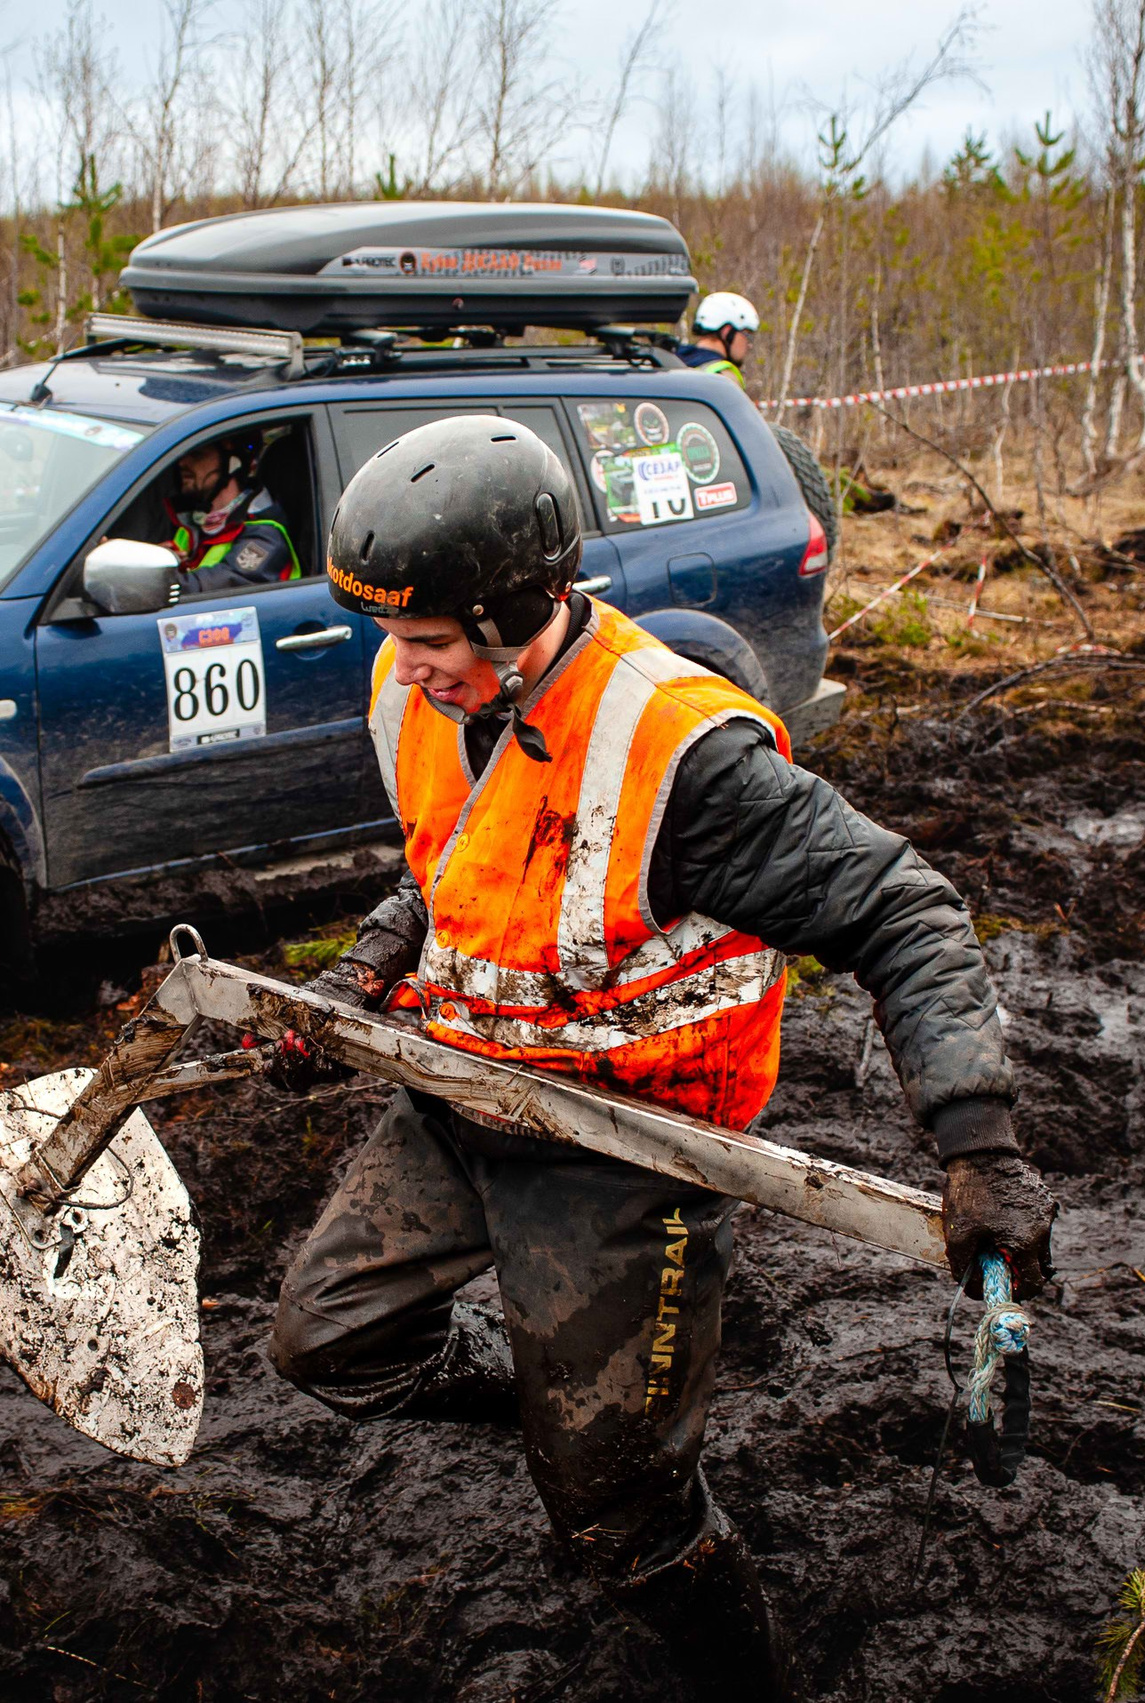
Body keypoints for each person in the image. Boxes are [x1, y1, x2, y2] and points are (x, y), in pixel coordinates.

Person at [262, 416, 1056, 1700]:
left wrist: (979, 1145)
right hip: (470, 1089)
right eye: (391, 640)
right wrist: (364, 968)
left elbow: (906, 910)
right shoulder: (417, 690)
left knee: (614, 1523)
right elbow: (453, 863)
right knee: (325, 1340)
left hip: (628, 1144)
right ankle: (562, 1403)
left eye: (425, 643)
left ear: (519, 609)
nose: (402, 672)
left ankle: (739, 1660)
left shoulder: (681, 757)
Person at [159, 431, 300, 594]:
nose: (182, 463)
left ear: (233, 462)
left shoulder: (265, 538)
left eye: (196, 454)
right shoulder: (193, 524)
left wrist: (150, 578)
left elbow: (209, 590)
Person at [676, 291, 757, 384]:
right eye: (747, 334)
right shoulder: (724, 378)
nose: (749, 345)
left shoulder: (671, 361)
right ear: (727, 331)